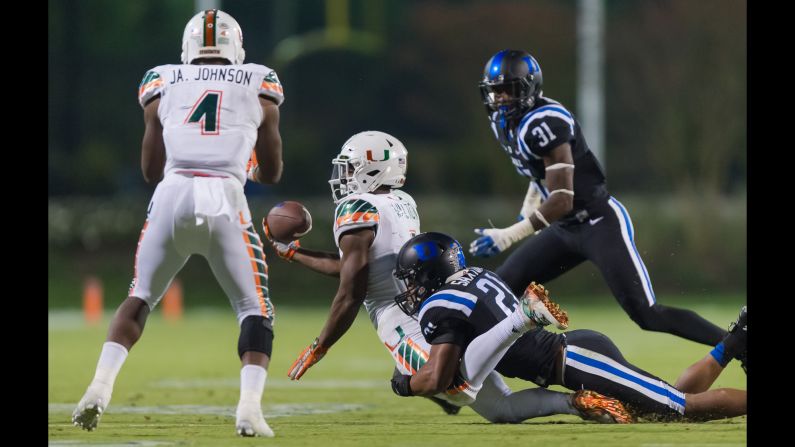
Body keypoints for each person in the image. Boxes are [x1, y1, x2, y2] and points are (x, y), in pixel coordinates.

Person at [264, 130, 629, 424]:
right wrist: (294, 253)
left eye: (349, 167)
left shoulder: (356, 207)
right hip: (434, 302)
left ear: (370, 169)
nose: (342, 176)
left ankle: (523, 322)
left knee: (455, 389)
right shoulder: (402, 202)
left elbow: (353, 289)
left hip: (399, 318)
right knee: (497, 409)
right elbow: (357, 267)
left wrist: (322, 343)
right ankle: (576, 402)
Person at [72, 9, 285, 437]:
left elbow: (150, 169)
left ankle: (99, 386)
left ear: (188, 48)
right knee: (254, 309)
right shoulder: (260, 82)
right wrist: (251, 166)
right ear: (236, 48)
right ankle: (248, 408)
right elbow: (273, 171)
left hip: (171, 193)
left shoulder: (162, 80)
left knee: (141, 295)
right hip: (225, 196)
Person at [468, 49, 741, 371]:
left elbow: (562, 199)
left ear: (528, 88)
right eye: (495, 90)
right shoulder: (507, 125)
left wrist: (510, 235)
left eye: (508, 90)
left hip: (598, 221)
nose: (500, 98)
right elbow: (536, 175)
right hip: (564, 228)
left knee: (646, 314)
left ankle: (740, 345)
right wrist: (525, 212)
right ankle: (478, 375)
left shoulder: (544, 123)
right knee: (499, 290)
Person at [392, 232, 747, 422]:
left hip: (575, 359)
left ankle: (734, 342)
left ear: (430, 274)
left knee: (680, 407)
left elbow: (441, 379)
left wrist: (406, 383)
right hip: (575, 354)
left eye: (411, 280)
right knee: (667, 405)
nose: (409, 290)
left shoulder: (440, 305)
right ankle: (732, 343)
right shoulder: (476, 277)